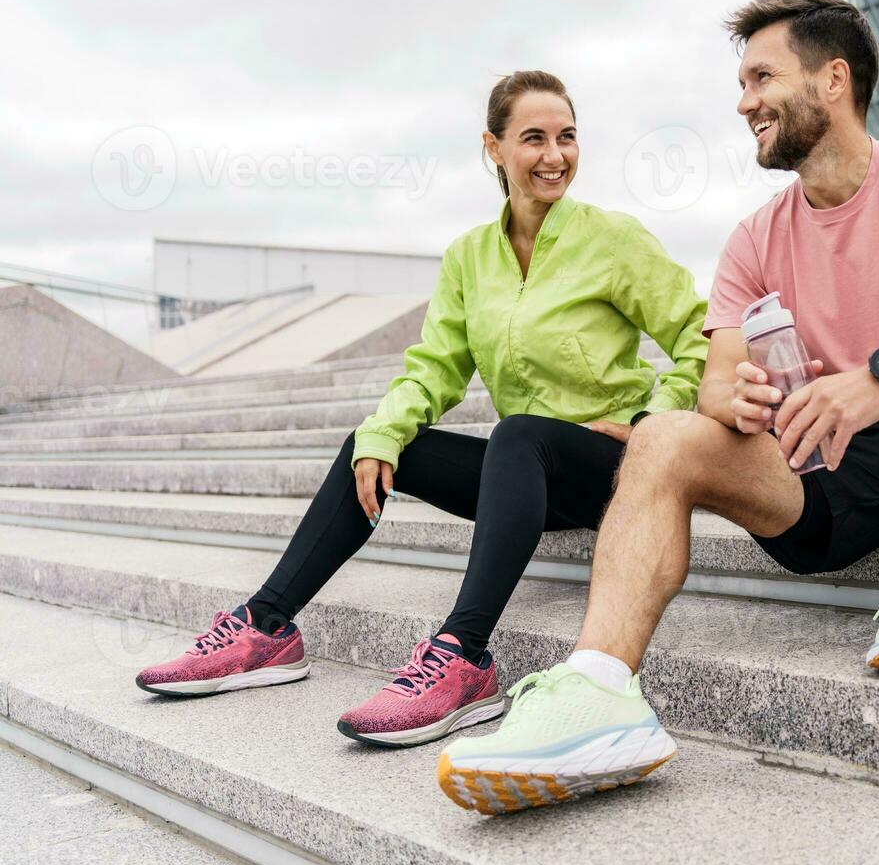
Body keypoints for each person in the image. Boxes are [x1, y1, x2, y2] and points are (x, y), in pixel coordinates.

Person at [435, 0, 879, 816]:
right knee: (662, 435)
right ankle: (599, 694)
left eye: (762, 76)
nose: (744, 102)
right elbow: (715, 377)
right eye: (742, 83)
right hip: (833, 475)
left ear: (833, 79)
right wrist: (736, 398)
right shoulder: (754, 238)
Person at [133, 71, 710, 751]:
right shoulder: (470, 257)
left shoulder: (613, 238)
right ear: (494, 149)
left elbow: (700, 334)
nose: (555, 154)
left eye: (567, 137)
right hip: (524, 477)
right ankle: (267, 628)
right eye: (534, 138)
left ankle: (464, 657)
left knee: (518, 434)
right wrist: (382, 434)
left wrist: (652, 421)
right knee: (373, 444)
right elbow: (435, 366)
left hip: (609, 470)